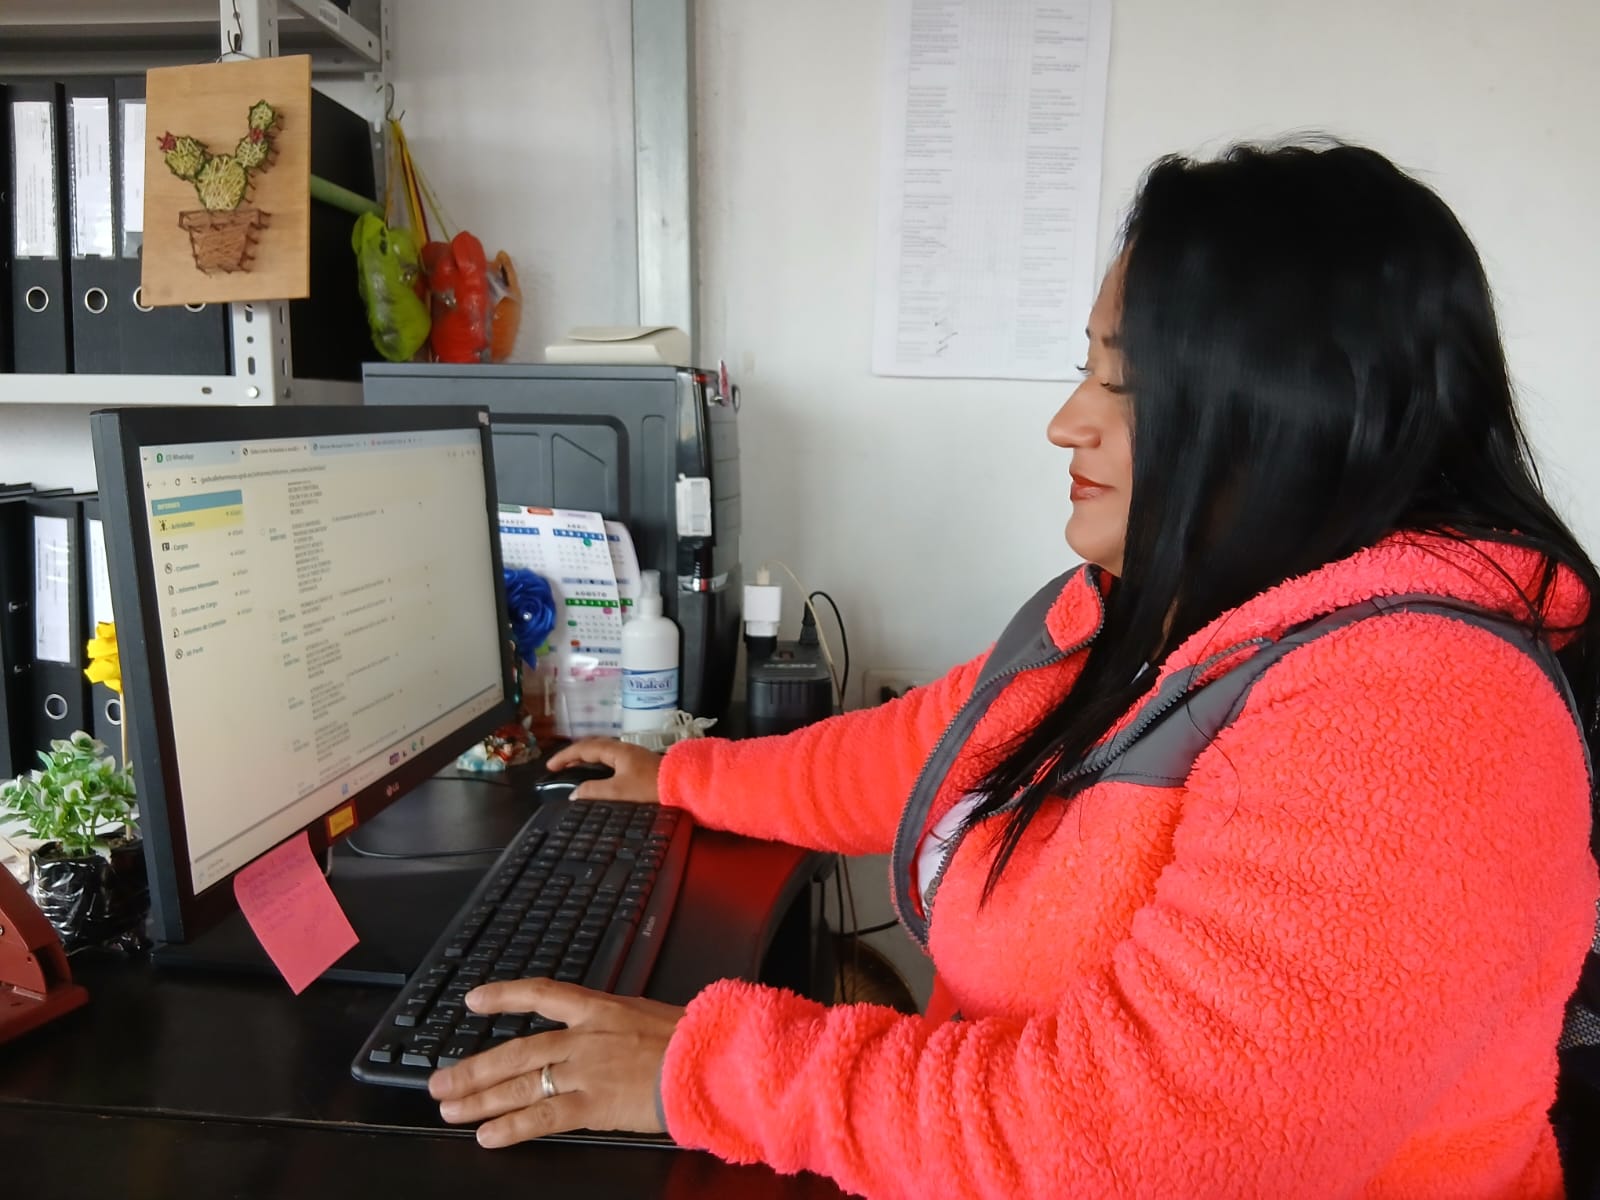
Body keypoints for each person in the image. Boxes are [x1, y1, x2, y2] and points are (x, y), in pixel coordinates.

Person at [428, 140, 1600, 1198]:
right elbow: (922, 751)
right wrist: (684, 777)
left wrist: (709, 1070)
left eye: (1124, 385)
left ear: (1289, 410)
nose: (1066, 422)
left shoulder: (1425, 711)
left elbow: (1146, 1145)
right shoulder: (1146, 614)